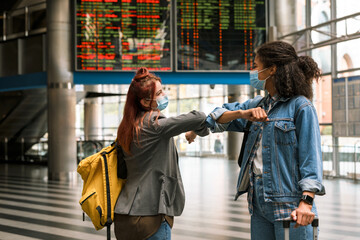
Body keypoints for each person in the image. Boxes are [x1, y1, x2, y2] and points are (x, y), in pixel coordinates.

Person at [186, 41, 325, 240]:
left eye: (256, 66)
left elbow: (311, 158)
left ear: (272, 69)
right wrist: (242, 114)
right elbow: (218, 115)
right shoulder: (257, 105)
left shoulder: (301, 107)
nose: (253, 71)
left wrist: (306, 201)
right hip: (258, 204)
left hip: (290, 205)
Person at [114, 67, 209, 240]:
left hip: (124, 216)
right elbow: (199, 116)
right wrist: (196, 130)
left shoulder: (127, 127)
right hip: (151, 215)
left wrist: (195, 130)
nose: (164, 95)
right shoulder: (155, 125)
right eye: (159, 92)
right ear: (144, 102)